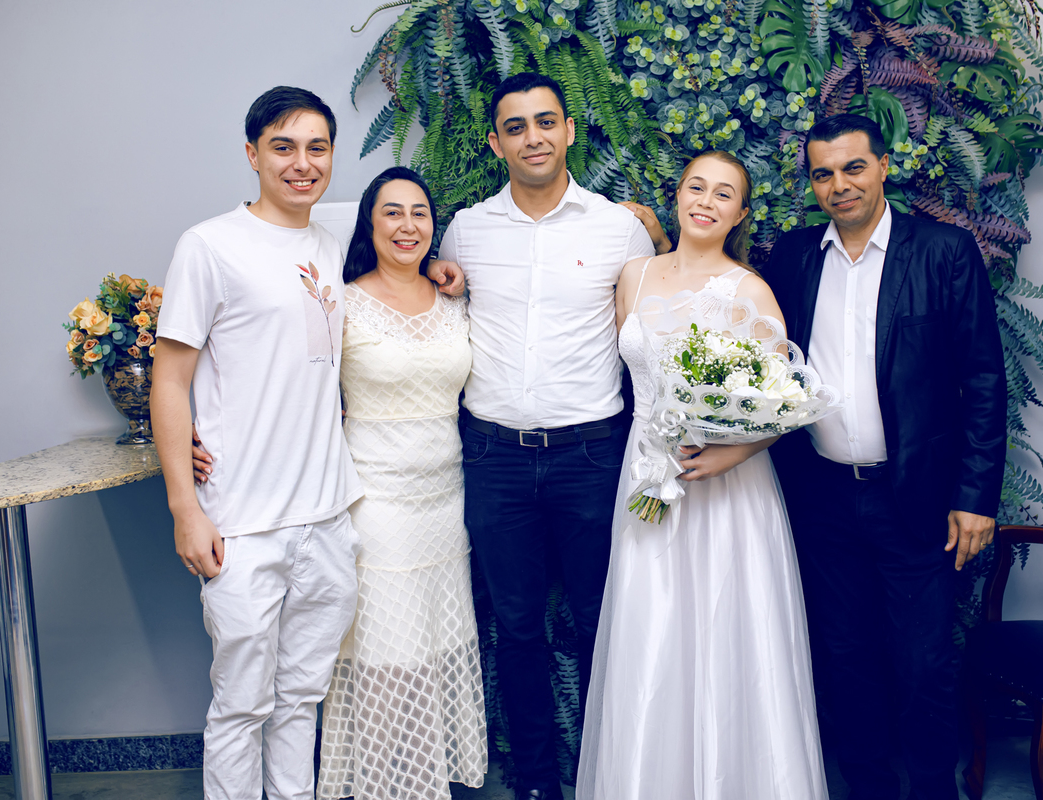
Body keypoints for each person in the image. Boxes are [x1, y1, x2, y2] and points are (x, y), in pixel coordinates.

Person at [428, 72, 669, 800]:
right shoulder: (466, 229)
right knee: (517, 628)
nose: (532, 137)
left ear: (568, 130)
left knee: (601, 623)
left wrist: (659, 232)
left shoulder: (618, 228)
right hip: (495, 456)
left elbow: (664, 312)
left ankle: (605, 778)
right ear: (494, 142)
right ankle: (536, 783)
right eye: (515, 126)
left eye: (544, 122)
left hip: (591, 455)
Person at [763, 113, 1007, 800]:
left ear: (883, 167)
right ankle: (869, 789)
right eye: (823, 174)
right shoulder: (794, 256)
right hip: (822, 497)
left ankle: (932, 791)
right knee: (845, 658)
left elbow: (984, 379)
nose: (839, 185)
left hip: (917, 497)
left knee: (923, 665)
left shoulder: (943, 250)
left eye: (853, 168)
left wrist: (975, 497)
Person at [576, 151, 829, 800]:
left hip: (725, 488)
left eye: (723, 194)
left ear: (740, 214)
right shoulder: (633, 276)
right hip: (646, 477)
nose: (706, 202)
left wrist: (731, 453)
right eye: (696, 187)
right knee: (650, 632)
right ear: (678, 195)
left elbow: (788, 402)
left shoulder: (749, 290)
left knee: (724, 635)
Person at [151, 87, 364, 800]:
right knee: (242, 705)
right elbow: (170, 380)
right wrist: (185, 507)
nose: (302, 163)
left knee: (301, 697)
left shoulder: (328, 240)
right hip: (242, 520)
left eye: (317, 148)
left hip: (326, 516)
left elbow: (404, 235)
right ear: (252, 154)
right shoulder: (209, 245)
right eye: (283, 147)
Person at [314, 166, 488, 799]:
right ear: (369, 224)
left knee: (438, 642)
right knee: (387, 654)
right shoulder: (340, 302)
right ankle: (385, 788)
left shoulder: (454, 300)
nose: (407, 225)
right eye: (392, 212)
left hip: (445, 498)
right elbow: (296, 388)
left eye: (419, 212)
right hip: (376, 500)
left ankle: (424, 779)